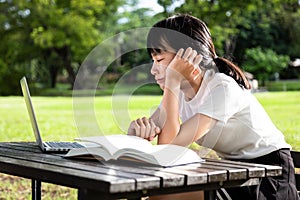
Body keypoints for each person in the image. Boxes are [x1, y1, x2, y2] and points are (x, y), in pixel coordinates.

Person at [127, 14, 299, 200]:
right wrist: (136, 134)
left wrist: (172, 81)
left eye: (159, 60)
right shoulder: (179, 94)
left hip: (268, 176)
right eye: (153, 61)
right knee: (159, 193)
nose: (153, 70)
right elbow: (158, 138)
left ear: (188, 56)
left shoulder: (222, 88)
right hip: (233, 171)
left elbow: (169, 150)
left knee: (163, 195)